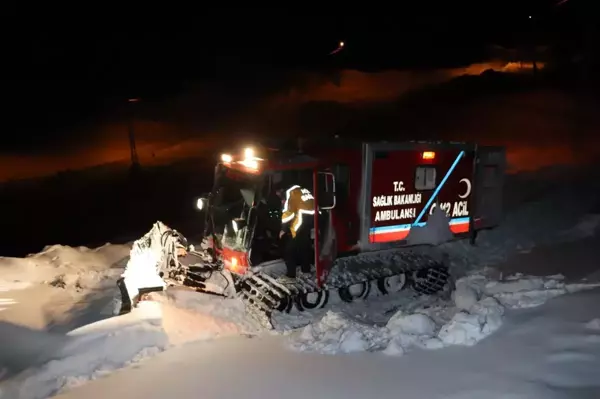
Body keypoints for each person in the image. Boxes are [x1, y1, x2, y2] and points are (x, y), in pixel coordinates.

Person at [275, 184, 315, 280]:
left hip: (300, 223)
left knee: (289, 251)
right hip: (311, 221)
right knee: (304, 247)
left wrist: (283, 229)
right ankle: (306, 271)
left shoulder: (291, 194)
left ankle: (290, 275)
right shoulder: (302, 190)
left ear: (282, 190)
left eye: (278, 194)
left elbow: (289, 213)